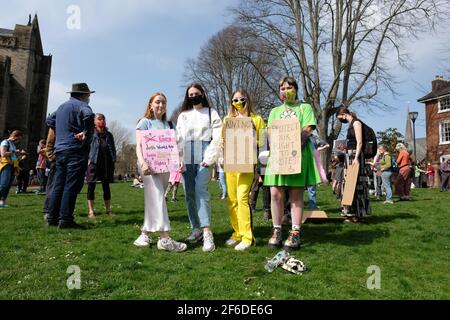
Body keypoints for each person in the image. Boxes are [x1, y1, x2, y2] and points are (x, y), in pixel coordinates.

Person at [264, 76, 321, 250]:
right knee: (275, 193)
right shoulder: (274, 111)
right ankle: (277, 229)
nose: (285, 91)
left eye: (289, 87)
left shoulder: (304, 107)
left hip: (297, 154)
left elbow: (309, 127)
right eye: (282, 88)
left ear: (295, 89)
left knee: (295, 195)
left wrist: (294, 141)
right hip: (278, 155)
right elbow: (270, 132)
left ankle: (295, 232)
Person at [133, 92, 187, 252]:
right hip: (148, 167)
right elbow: (138, 146)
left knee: (155, 199)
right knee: (158, 197)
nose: (161, 105)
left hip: (165, 166)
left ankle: (144, 234)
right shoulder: (144, 123)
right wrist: (142, 162)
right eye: (157, 102)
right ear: (150, 104)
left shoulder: (170, 125)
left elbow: (175, 146)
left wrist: (180, 160)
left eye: (163, 102)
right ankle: (165, 238)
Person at [176, 83, 223, 252]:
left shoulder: (212, 113)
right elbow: (178, 137)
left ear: (202, 94)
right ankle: (196, 228)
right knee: (189, 192)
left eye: (196, 93)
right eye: (191, 94)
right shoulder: (183, 115)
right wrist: (179, 158)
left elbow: (217, 137)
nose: (194, 96)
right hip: (187, 152)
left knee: (200, 189)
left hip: (204, 150)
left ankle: (207, 231)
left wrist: (209, 157)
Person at [46, 83, 95, 228]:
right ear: (83, 95)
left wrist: (61, 132)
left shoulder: (61, 107)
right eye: (88, 95)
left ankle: (52, 218)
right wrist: (85, 132)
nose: (89, 97)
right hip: (75, 150)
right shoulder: (82, 106)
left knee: (58, 185)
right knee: (71, 186)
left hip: (60, 151)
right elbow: (88, 115)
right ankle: (65, 219)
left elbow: (49, 120)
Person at [222, 88, 265, 251]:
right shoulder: (228, 120)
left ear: (248, 100)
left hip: (247, 165)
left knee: (242, 198)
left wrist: (251, 142)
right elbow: (223, 141)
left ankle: (248, 237)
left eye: (242, 99)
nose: (239, 102)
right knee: (232, 200)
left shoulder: (257, 119)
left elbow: (263, 143)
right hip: (231, 165)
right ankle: (237, 233)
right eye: (235, 100)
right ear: (232, 103)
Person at [337, 107, 371, 222]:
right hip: (350, 156)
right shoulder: (351, 124)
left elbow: (359, 141)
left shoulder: (356, 123)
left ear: (344, 114)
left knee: (357, 184)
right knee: (350, 185)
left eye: (340, 118)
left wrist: (356, 157)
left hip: (355, 156)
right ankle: (351, 212)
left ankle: (358, 213)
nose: (340, 120)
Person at [86, 113, 117, 218]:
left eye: (103, 119)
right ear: (94, 121)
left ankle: (108, 210)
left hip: (106, 163)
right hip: (93, 162)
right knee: (91, 186)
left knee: (106, 186)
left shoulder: (109, 135)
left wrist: (113, 159)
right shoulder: (91, 133)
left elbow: (113, 148)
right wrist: (88, 159)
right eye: (99, 119)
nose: (102, 121)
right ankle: (91, 211)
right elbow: (85, 146)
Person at [0, 130, 23, 208]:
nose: (18, 141)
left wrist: (20, 155)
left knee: (8, 185)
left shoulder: (13, 144)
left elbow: (13, 156)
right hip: (6, 165)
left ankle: (2, 202)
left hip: (13, 165)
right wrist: (14, 151)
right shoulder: (5, 142)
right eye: (18, 139)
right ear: (14, 136)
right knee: (4, 184)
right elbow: (3, 154)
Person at [307, 134, 330, 210]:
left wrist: (322, 147)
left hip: (312, 164)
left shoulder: (314, 137)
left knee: (311, 187)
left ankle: (312, 207)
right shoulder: (299, 135)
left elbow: (326, 144)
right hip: (303, 164)